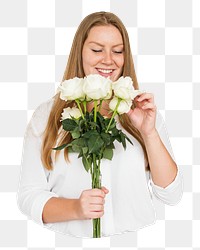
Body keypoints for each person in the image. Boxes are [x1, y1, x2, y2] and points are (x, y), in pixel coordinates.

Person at [17, 11, 183, 238]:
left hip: (138, 241)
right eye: (97, 50)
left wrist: (149, 133)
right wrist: (76, 208)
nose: (108, 60)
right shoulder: (46, 116)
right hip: (72, 242)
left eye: (117, 51)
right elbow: (29, 196)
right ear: (80, 53)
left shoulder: (141, 114)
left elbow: (171, 195)